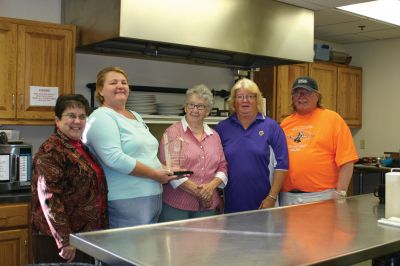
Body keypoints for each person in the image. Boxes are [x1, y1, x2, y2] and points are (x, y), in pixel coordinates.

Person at [83, 66, 176, 228]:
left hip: (152, 194)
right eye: (113, 82)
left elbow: (147, 154)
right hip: (126, 197)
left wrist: (163, 168)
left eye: (123, 82)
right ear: (100, 90)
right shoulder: (101, 116)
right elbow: (115, 158)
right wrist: (155, 174)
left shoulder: (136, 116)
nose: (120, 86)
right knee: (130, 250)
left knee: (146, 250)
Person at [31, 94, 108, 263]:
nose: (78, 121)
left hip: (83, 236)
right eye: (71, 116)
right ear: (57, 120)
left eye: (82, 117)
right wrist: (64, 240)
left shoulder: (81, 147)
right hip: (60, 240)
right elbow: (49, 198)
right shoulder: (51, 150)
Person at [280, 76, 358, 206]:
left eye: (306, 92)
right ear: (292, 97)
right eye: (297, 92)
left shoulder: (333, 120)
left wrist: (341, 192)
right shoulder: (285, 124)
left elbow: (347, 161)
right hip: (288, 198)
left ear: (317, 96)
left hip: (321, 197)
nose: (301, 96)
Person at [215, 78, 289, 213]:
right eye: (240, 97)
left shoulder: (271, 127)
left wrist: (272, 197)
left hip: (264, 203)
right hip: (231, 203)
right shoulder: (222, 128)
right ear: (233, 101)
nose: (245, 100)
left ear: (257, 100)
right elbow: (214, 164)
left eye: (250, 96)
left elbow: (282, 164)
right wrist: (217, 196)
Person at [158, 84, 228, 222]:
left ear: (207, 111)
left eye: (200, 106)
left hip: (207, 208)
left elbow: (223, 166)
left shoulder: (214, 136)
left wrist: (211, 187)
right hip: (176, 207)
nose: (194, 110)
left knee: (205, 243)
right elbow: (171, 169)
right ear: (185, 107)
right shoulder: (173, 132)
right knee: (177, 244)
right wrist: (202, 193)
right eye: (191, 105)